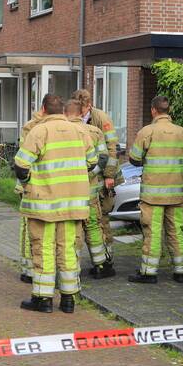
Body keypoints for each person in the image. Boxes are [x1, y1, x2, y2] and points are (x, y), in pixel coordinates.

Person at [13, 94, 96, 313]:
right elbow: (93, 161)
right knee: (68, 249)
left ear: (43, 109)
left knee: (44, 249)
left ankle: (43, 298)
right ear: (62, 110)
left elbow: (21, 165)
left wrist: (28, 182)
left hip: (45, 206)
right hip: (73, 205)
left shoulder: (39, 131)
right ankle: (68, 299)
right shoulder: (80, 131)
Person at [127, 95, 183, 284]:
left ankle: (149, 272)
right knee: (177, 231)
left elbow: (134, 159)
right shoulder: (182, 132)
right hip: (176, 194)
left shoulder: (147, 132)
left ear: (153, 110)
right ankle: (180, 270)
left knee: (153, 233)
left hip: (153, 195)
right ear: (168, 110)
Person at [65, 99, 115, 278]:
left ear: (65, 113)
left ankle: (72, 269)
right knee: (93, 225)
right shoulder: (95, 131)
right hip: (90, 191)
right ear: (82, 113)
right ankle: (101, 265)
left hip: (68, 192)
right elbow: (103, 157)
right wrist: (90, 174)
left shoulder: (59, 132)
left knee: (73, 229)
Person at [72, 89, 119, 250]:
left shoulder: (102, 118)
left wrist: (109, 175)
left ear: (89, 106)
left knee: (101, 214)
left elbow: (112, 147)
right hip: (86, 172)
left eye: (82, 110)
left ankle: (107, 253)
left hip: (103, 172)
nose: (80, 113)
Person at [16, 106, 45, 283]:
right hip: (33, 185)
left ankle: (30, 268)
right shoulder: (33, 127)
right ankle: (30, 268)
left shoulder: (32, 126)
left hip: (33, 184)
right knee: (30, 227)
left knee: (29, 227)